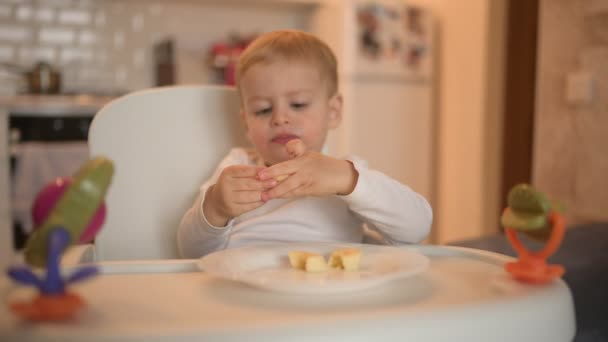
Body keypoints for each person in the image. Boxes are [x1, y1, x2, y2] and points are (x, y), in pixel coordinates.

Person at [178, 30, 432, 258]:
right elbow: (191, 251)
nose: (280, 118)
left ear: (332, 112)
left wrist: (348, 180)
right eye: (263, 109)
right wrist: (216, 208)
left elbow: (417, 227)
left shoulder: (343, 174)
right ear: (246, 124)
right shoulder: (236, 166)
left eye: (298, 104)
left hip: (327, 294)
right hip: (248, 294)